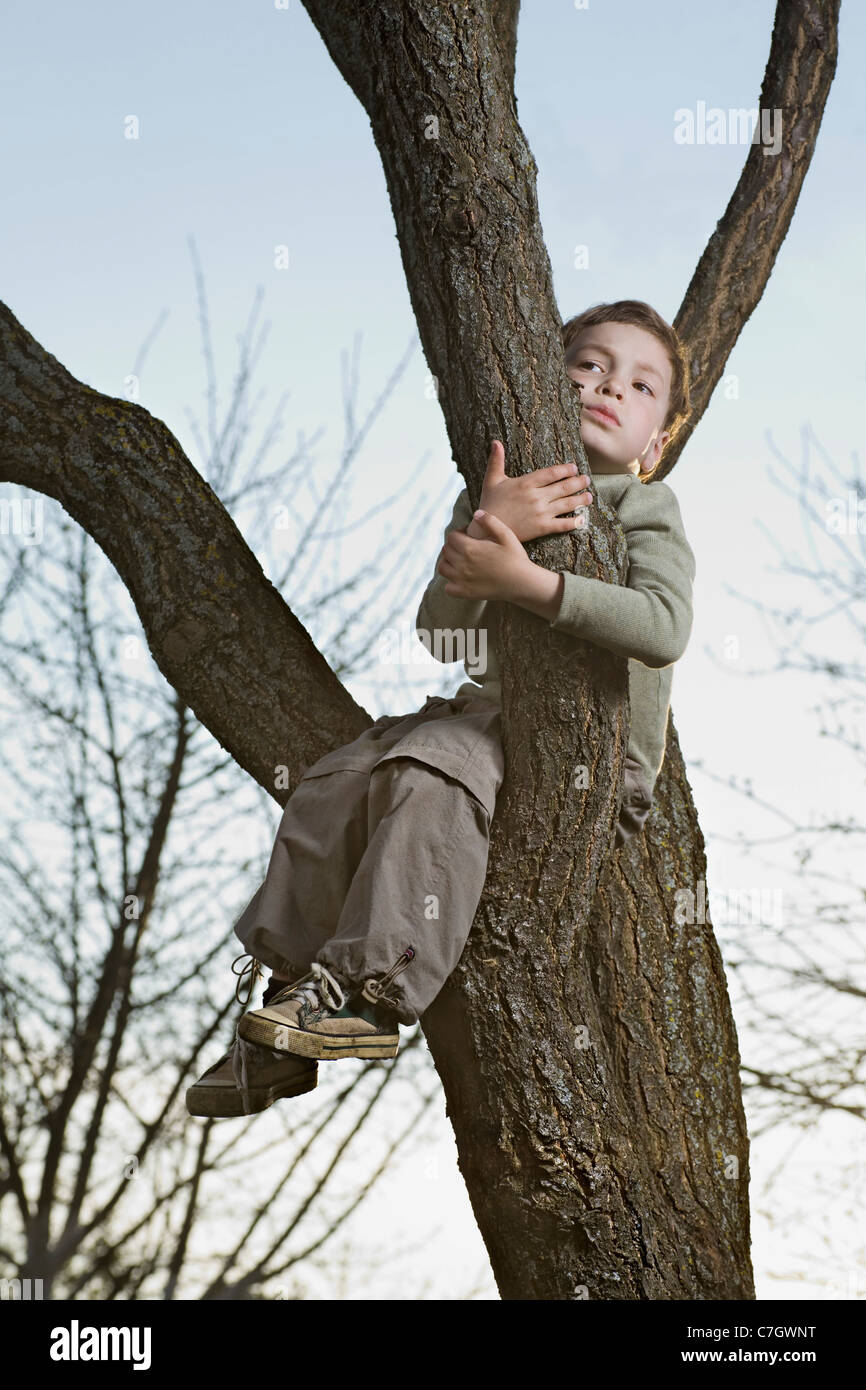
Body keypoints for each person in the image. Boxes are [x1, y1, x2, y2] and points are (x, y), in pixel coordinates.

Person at [186, 299, 696, 1119]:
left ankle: (367, 994)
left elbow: (664, 628)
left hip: (597, 766)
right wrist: (496, 522)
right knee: (342, 775)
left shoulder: (644, 510)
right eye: (589, 366)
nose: (609, 387)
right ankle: (286, 1000)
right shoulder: (495, 497)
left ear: (656, 443)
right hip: (484, 727)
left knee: (433, 766)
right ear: (542, 379)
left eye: (640, 386)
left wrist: (526, 582)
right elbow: (441, 631)